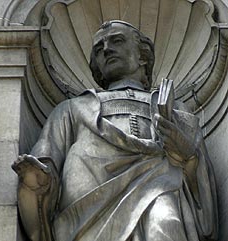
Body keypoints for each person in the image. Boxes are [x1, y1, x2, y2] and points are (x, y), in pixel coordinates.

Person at [12, 20, 218, 241]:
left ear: (143, 56)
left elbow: (201, 181)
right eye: (99, 49)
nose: (107, 49)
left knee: (166, 223)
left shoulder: (174, 108)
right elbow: (48, 157)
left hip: (158, 185)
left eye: (116, 41)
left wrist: (187, 156)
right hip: (88, 208)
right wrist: (39, 179)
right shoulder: (72, 109)